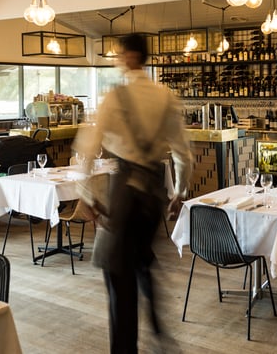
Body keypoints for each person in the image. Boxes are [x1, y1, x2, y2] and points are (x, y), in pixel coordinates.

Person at [74, 33, 192, 354]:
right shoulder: (166, 96)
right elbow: (183, 152)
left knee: (117, 275)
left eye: (119, 54)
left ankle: (125, 348)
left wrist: (85, 193)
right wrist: (179, 193)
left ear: (128, 56)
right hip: (154, 194)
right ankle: (157, 326)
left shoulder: (115, 96)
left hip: (123, 192)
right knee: (141, 258)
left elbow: (87, 146)